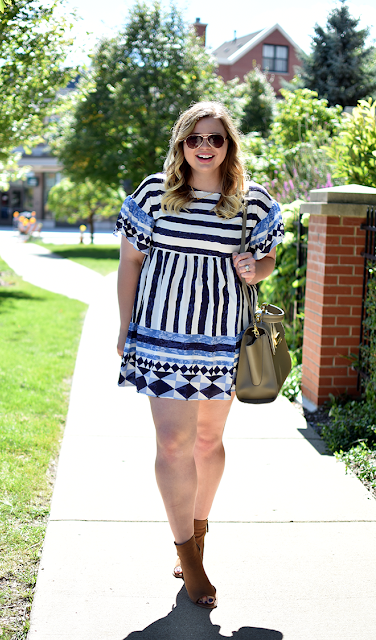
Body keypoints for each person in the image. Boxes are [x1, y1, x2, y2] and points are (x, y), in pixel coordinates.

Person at [115, 101, 284, 609]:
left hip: (222, 342)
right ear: (181, 146)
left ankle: (199, 531)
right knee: (173, 444)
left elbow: (269, 257)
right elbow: (130, 263)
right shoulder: (154, 194)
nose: (204, 147)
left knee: (208, 441)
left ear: (228, 145)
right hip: (162, 338)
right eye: (195, 139)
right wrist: (122, 328)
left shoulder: (249, 200)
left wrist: (257, 268)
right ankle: (188, 556)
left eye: (215, 138)